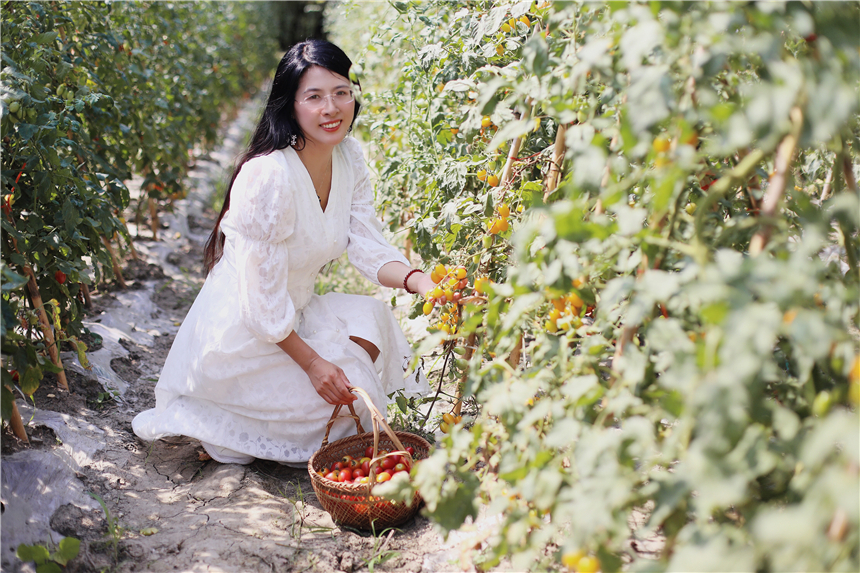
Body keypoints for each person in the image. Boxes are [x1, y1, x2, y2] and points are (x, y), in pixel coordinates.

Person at [132, 40, 435, 466]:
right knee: (357, 397)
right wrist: (313, 364)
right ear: (290, 105)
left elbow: (365, 242)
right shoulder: (267, 177)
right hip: (245, 337)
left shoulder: (348, 156)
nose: (331, 108)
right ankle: (229, 411)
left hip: (295, 310)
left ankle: (288, 408)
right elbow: (259, 307)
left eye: (341, 92)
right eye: (314, 97)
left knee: (373, 323)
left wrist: (420, 281)